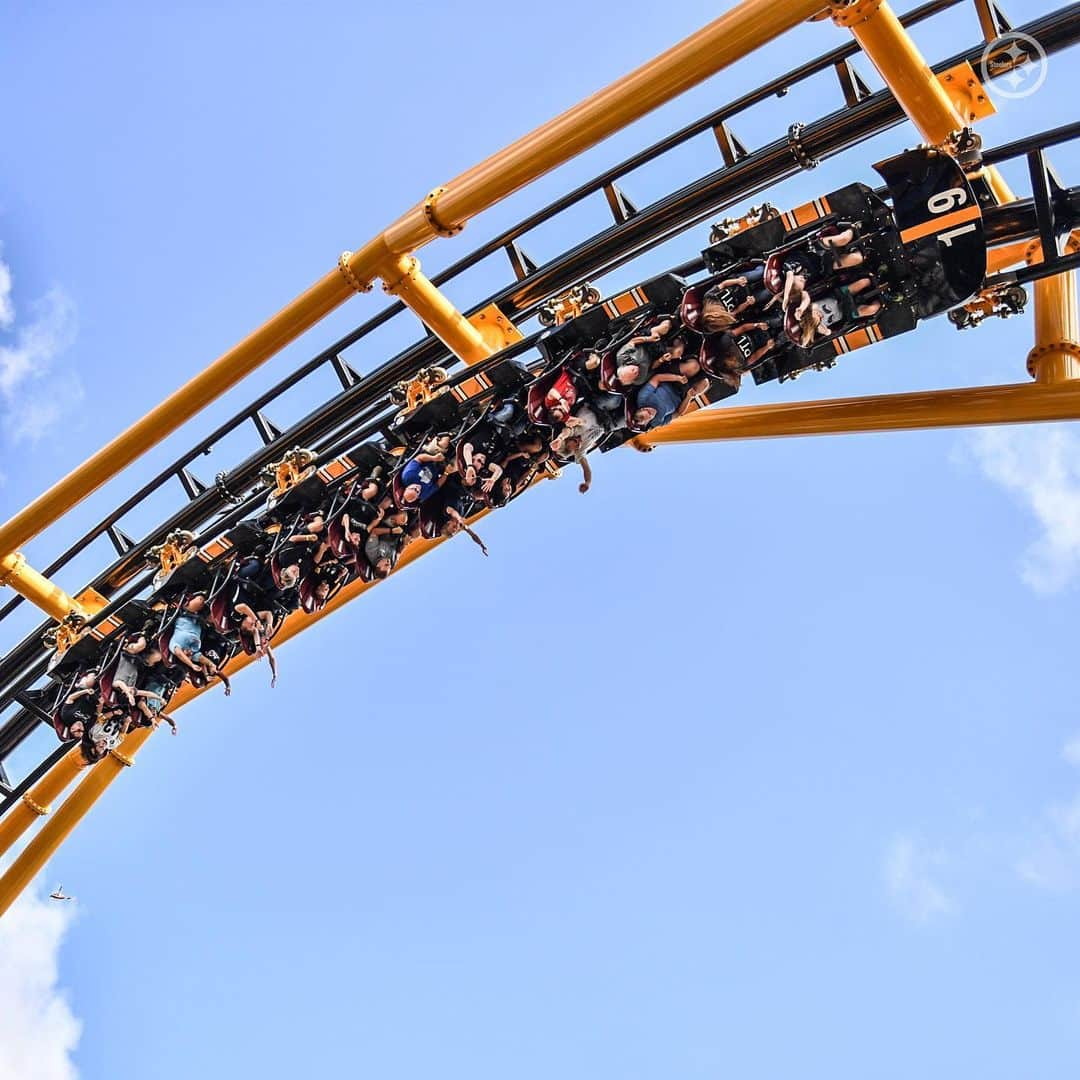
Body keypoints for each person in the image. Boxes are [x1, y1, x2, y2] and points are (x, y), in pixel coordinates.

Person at [169, 594, 232, 695]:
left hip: (188, 615)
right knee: (217, 617)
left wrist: (193, 665)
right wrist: (227, 686)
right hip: (202, 623)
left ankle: (175, 597)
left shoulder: (176, 644)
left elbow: (180, 654)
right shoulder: (195, 650)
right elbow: (217, 671)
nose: (189, 653)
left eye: (187, 655)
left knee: (200, 600)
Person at [631, 376, 709, 431]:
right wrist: (689, 397)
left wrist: (678, 378)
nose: (652, 412)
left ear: (642, 408)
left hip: (673, 381)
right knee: (704, 383)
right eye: (651, 416)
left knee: (692, 367)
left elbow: (657, 378)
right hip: (682, 395)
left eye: (648, 410)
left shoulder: (643, 398)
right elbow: (678, 413)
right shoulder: (657, 422)